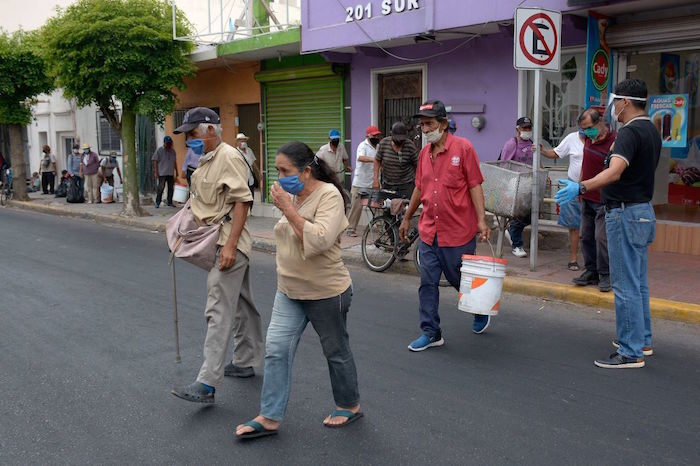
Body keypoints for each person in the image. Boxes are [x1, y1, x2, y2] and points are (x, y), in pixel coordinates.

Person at [235, 141, 360, 440]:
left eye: (285, 170)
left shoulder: (328, 196)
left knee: (335, 350)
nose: (279, 177)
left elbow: (318, 241)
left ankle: (348, 404)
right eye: (277, 170)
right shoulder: (291, 196)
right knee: (276, 350)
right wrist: (289, 207)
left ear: (305, 171)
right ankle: (269, 416)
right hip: (289, 290)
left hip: (326, 291)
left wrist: (289, 210)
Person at [555, 79, 660, 368]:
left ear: (625, 102)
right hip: (641, 211)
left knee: (624, 284)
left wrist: (581, 187)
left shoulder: (628, 133)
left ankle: (630, 352)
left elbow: (614, 172)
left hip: (624, 213)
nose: (612, 108)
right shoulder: (651, 129)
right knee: (638, 283)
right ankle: (643, 340)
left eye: (615, 102)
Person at [170, 107, 264, 402]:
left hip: (227, 243)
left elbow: (242, 202)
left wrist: (231, 246)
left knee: (217, 308)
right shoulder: (208, 159)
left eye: (193, 133)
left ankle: (207, 382)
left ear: (210, 130)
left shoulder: (228, 157)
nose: (189, 139)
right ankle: (246, 361)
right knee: (241, 304)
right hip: (222, 241)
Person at [398, 100, 491, 351]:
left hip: (459, 231)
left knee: (458, 278)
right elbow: (419, 187)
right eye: (422, 125)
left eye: (429, 124)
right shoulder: (423, 155)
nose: (425, 129)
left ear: (443, 124)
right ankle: (431, 331)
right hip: (429, 230)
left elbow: (474, 185)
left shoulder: (464, 149)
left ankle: (480, 308)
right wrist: (408, 217)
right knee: (427, 282)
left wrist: (482, 220)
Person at [572, 108, 616, 293]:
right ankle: (591, 271)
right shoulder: (589, 140)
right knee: (586, 236)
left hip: (603, 199)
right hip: (587, 197)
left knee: (601, 238)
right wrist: (580, 187)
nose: (586, 132)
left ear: (601, 123)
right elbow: (585, 165)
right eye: (583, 129)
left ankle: (605, 274)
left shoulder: (615, 142)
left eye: (589, 128)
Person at [541, 122, 586, 271]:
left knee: (593, 227)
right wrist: (542, 151)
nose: (585, 130)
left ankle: (593, 261)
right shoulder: (572, 138)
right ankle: (573, 259)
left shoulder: (599, 140)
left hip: (594, 187)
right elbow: (556, 153)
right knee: (573, 225)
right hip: (573, 187)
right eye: (583, 126)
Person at [500, 117, 535, 258]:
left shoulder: (532, 144)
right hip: (515, 184)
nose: (527, 131)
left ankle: (511, 230)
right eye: (524, 128)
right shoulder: (511, 144)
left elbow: (535, 162)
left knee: (531, 215)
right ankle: (517, 245)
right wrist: (506, 187)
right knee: (521, 215)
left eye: (529, 128)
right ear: (517, 129)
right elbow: (504, 165)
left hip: (529, 184)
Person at [346, 125, 382, 237]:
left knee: (379, 205)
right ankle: (350, 229)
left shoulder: (379, 147)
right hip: (360, 182)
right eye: (374, 135)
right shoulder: (363, 145)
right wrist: (374, 159)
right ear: (368, 136)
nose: (376, 137)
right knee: (356, 207)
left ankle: (380, 226)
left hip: (374, 182)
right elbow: (360, 158)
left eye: (377, 135)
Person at [372, 122, 419, 199]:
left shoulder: (410, 145)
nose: (399, 141)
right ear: (391, 135)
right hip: (388, 184)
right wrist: (375, 179)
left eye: (402, 140)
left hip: (406, 185)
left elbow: (417, 165)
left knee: (404, 208)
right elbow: (377, 160)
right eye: (397, 139)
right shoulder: (384, 143)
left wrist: (418, 181)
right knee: (387, 208)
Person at [152, 135, 178, 208]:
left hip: (170, 172)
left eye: (170, 143)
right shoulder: (159, 150)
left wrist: (177, 171)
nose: (169, 145)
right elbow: (155, 161)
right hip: (162, 172)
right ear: (164, 143)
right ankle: (157, 202)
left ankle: (169, 202)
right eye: (167, 143)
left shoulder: (173, 151)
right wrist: (156, 172)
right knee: (161, 188)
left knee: (170, 188)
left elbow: (174, 162)